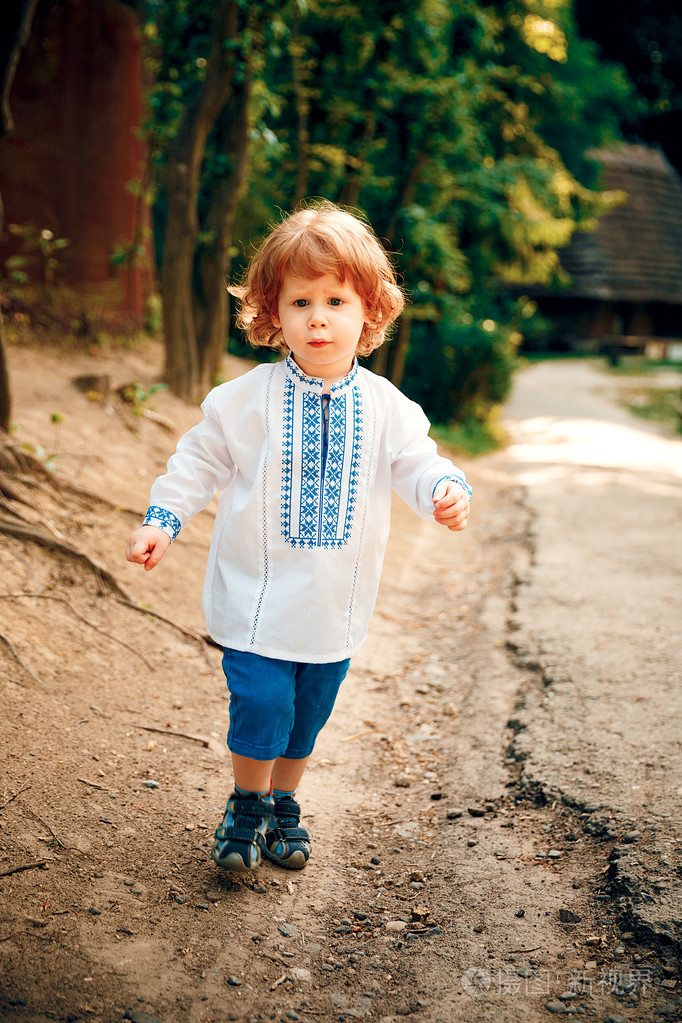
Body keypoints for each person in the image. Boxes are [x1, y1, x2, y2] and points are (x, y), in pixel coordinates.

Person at [126, 200, 471, 873]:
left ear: (368, 310)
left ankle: (285, 801)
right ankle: (246, 803)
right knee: (260, 702)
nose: (319, 316)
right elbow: (197, 464)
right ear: (271, 312)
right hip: (254, 597)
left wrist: (444, 491)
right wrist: (160, 521)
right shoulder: (243, 400)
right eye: (300, 300)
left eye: (337, 299)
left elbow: (418, 462)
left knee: (307, 715)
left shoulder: (385, 407)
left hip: (334, 604)